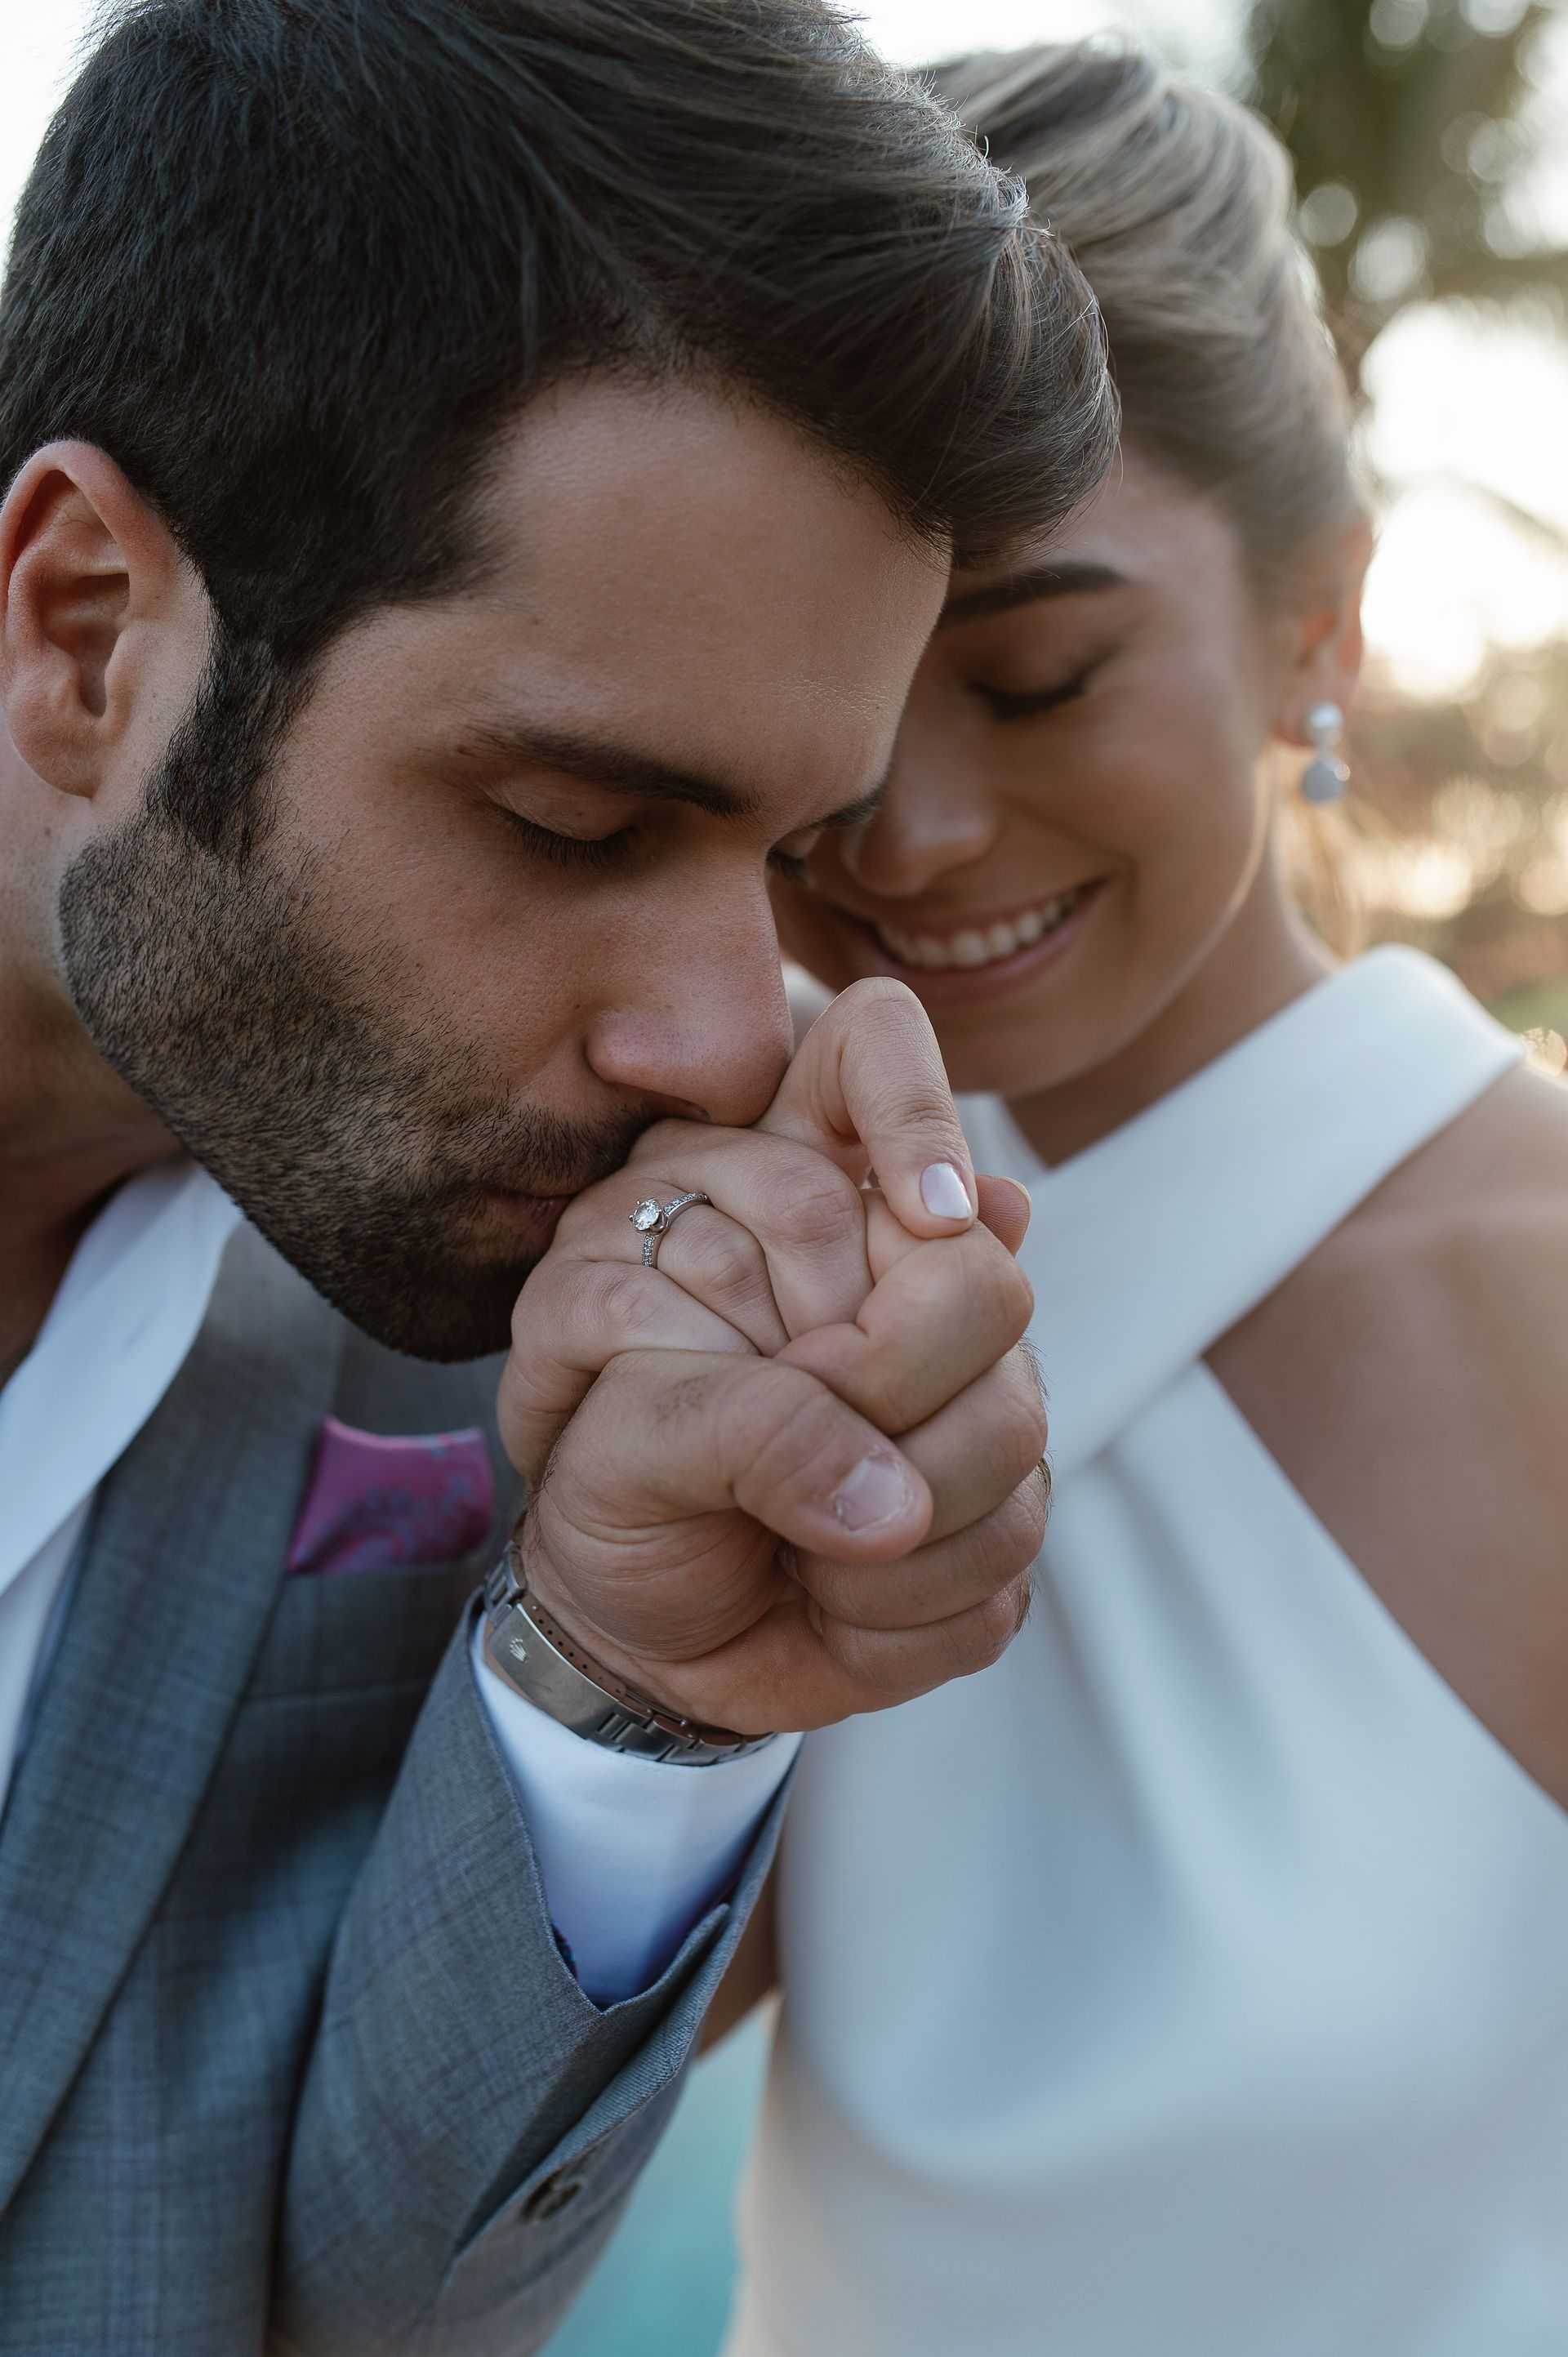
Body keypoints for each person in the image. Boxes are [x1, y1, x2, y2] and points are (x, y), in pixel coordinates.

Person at [0, 2, 1115, 2348]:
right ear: (88, 630)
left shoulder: (519, 1300)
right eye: (577, 825)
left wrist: (628, 1681)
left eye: (787, 851)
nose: (724, 1032)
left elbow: (339, 2310)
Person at [664, 42, 1568, 2357]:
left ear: (1323, 629)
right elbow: (478, 2127)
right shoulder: (703, 1253)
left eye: (1045, 673)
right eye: (836, 704)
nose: (915, 830)